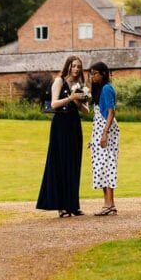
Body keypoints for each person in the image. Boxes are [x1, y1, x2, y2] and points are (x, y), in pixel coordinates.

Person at [36, 55, 88, 218]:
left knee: (73, 163)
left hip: (74, 125)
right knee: (60, 163)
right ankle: (61, 206)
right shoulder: (59, 81)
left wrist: (78, 101)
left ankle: (73, 204)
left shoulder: (80, 85)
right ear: (68, 66)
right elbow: (53, 104)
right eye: (74, 66)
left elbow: (86, 111)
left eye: (79, 66)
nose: (76, 69)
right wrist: (70, 98)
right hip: (60, 126)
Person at [87, 61, 119, 216]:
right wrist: (93, 139)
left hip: (107, 131)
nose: (92, 76)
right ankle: (109, 204)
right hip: (99, 132)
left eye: (95, 73)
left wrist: (104, 133)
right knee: (100, 166)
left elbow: (111, 112)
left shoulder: (106, 88)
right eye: (91, 73)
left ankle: (108, 204)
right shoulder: (99, 89)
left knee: (107, 165)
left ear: (103, 74)